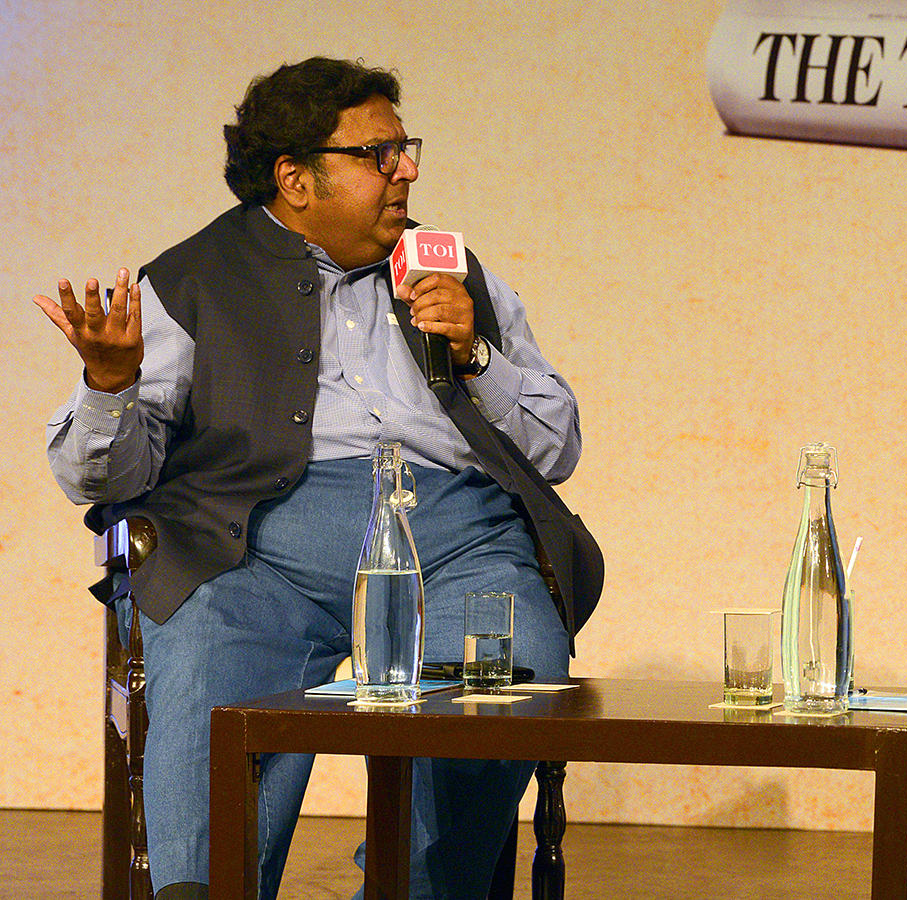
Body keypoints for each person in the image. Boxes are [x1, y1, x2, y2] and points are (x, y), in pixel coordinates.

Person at [37, 57, 591, 899]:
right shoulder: (190, 281)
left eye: (406, 149)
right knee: (206, 664)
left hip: (455, 545)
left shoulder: (459, 275)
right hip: (254, 553)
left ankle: (417, 883)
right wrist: (109, 387)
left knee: (504, 672)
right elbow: (98, 475)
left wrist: (476, 353)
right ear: (294, 178)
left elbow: (555, 449)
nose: (406, 170)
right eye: (379, 154)